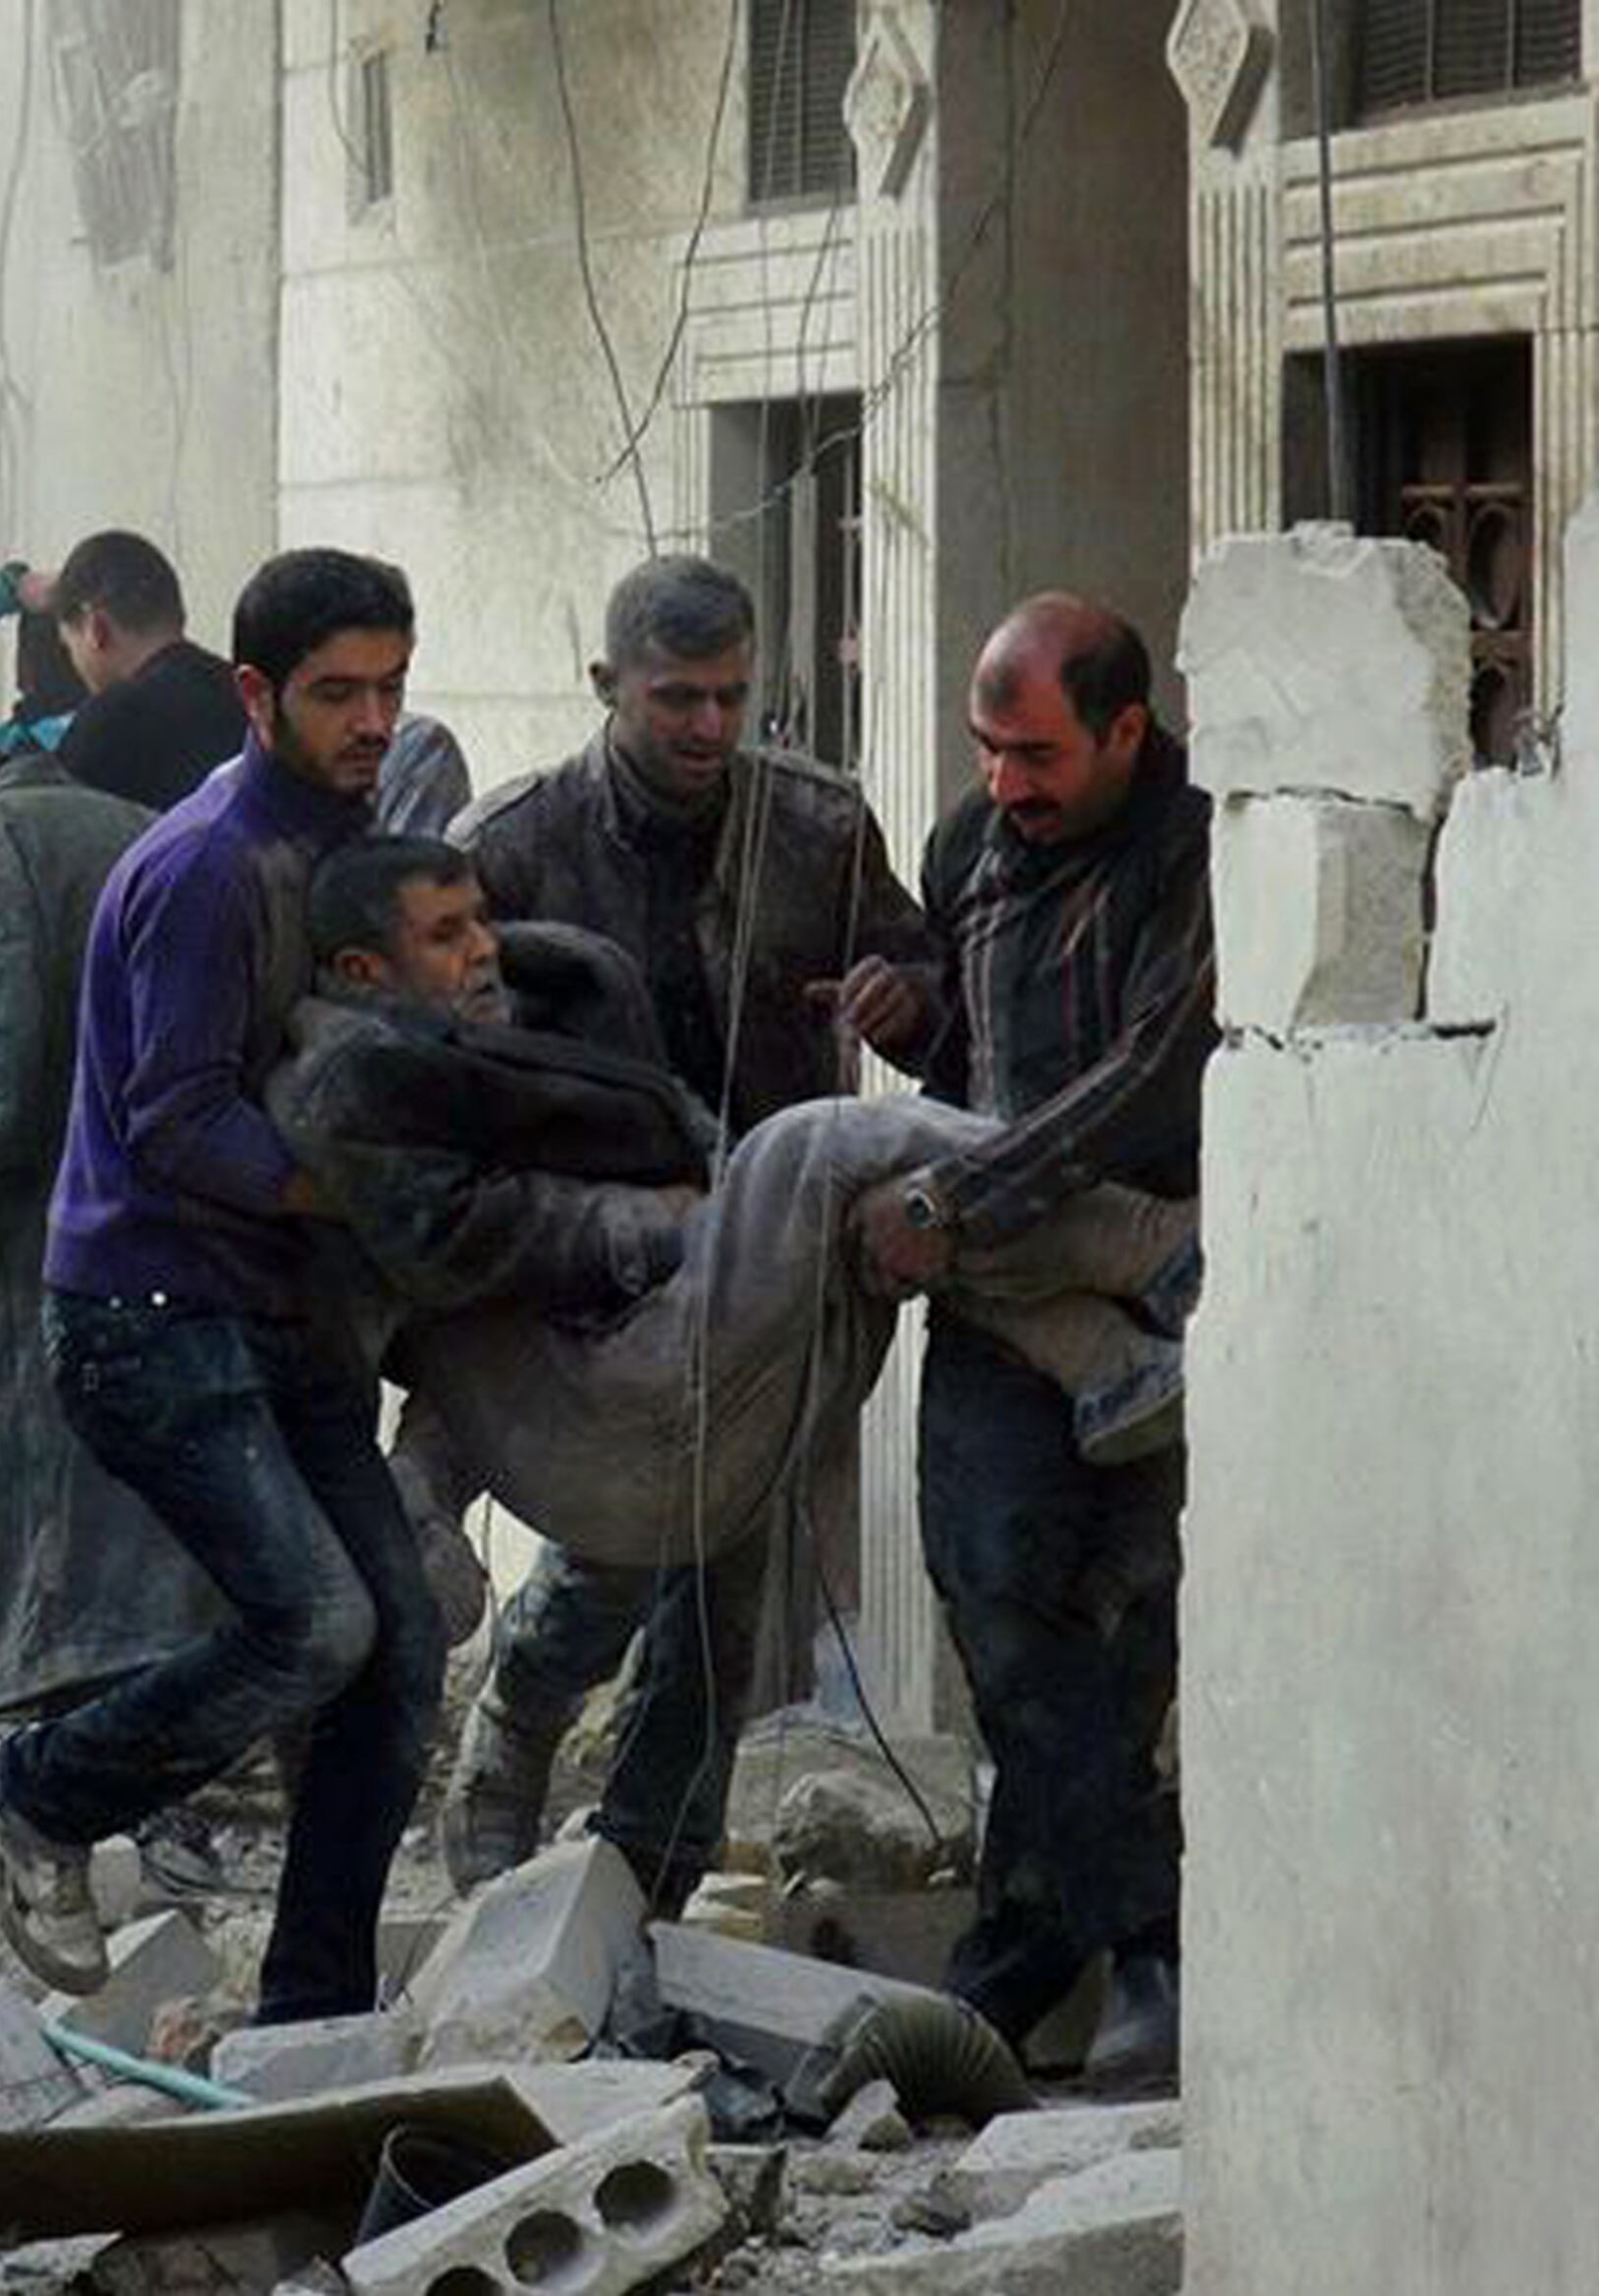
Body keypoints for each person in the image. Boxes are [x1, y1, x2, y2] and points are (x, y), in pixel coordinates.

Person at [432, 555, 947, 1911]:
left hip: (773, 1275)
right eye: (676, 700)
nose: (709, 727)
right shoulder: (510, 848)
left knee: (728, 1571)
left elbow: (937, 992)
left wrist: (910, 1006)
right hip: (586, 1274)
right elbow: (430, 1066)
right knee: (617, 1539)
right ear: (608, 687)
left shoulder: (819, 831)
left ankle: (640, 1888)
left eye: (730, 696)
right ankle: (516, 1731)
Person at [270, 838, 1190, 1582]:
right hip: (608, 1406)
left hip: (671, 1369)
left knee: (890, 1214)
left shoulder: (527, 1013)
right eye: (443, 934)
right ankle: (1149, 1246)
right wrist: (663, 1221)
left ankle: (1106, 1366)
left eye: (478, 920)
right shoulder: (356, 1084)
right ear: (364, 968)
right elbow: (453, 1248)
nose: (480, 948)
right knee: (815, 1143)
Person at [0, 546, 439, 2026]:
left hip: (282, 1312)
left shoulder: (354, 849)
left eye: (391, 688)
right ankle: (44, 1795)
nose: (372, 721)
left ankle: (318, 2009)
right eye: (337, 693)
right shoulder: (202, 867)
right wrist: (358, 1189)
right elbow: (180, 1120)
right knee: (317, 1624)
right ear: (254, 694)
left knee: (401, 1640)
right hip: (150, 1315)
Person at [852, 594, 1214, 2089]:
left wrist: (963, 1192)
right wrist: (908, 1014)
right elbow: (974, 1059)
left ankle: (1051, 1978)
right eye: (989, 749)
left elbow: (1149, 1072)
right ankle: (1129, 1951)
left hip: (1161, 1292)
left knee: (1119, 1638)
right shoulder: (968, 849)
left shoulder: (1196, 850)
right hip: (1003, 1313)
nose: (1007, 783)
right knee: (1000, 1608)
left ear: (1125, 730)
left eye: (1038, 752)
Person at [0, 740, 220, 1719]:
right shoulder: (146, 826)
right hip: (177, 1196)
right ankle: (164, 1665)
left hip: (43, 1198)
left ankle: (51, 1673)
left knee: (9, 1418)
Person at [0, 543, 475, 826]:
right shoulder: (252, 702)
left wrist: (8, 590)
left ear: (94, 629)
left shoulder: (45, 754)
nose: (370, 719)